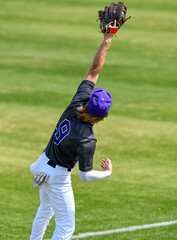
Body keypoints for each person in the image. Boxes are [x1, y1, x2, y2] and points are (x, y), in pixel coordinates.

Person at [29, 31, 114, 240]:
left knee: (45, 209)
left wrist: (107, 40)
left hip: (42, 164)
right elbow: (85, 176)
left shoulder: (77, 101)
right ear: (104, 116)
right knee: (66, 227)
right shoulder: (87, 139)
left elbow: (94, 70)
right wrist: (107, 173)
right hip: (57, 176)